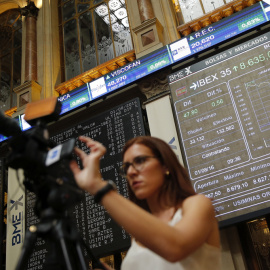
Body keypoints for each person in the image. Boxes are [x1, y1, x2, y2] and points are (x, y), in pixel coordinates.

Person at [70, 136, 221, 270]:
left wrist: (97, 186)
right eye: (127, 167)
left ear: (165, 165)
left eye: (140, 160)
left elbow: (176, 248)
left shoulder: (198, 204)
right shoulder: (138, 235)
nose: (131, 172)